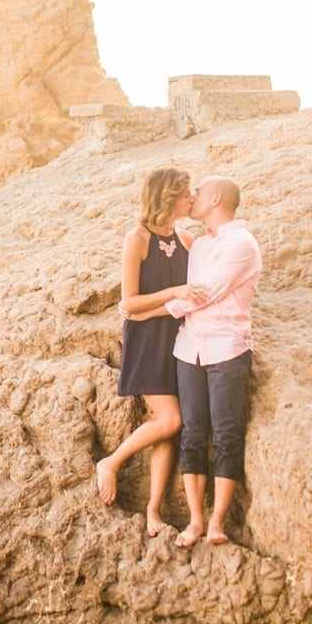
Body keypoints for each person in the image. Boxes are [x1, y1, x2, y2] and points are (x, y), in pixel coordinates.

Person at [96, 166, 201, 537]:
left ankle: (153, 511)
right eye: (188, 191)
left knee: (169, 430)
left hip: (181, 339)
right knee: (169, 420)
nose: (194, 196)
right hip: (147, 341)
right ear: (170, 196)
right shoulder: (137, 238)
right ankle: (110, 462)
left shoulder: (188, 239)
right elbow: (130, 303)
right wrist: (174, 293)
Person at [168, 175, 262, 548]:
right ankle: (194, 521)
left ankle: (218, 523)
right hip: (188, 347)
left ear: (216, 199)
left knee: (226, 433)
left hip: (227, 349)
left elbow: (204, 294)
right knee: (192, 432)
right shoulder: (199, 245)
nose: (192, 198)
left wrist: (162, 308)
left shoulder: (242, 244)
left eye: (199, 193)